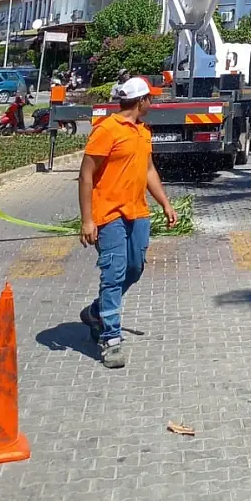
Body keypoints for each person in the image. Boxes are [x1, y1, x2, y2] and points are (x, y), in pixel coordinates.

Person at [78, 77, 176, 368]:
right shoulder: (106, 131)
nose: (153, 103)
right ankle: (111, 339)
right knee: (114, 274)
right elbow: (85, 175)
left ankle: (96, 312)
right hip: (108, 216)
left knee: (134, 268)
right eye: (150, 99)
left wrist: (165, 204)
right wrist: (87, 220)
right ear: (140, 101)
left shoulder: (142, 132)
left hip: (138, 213)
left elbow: (148, 171)